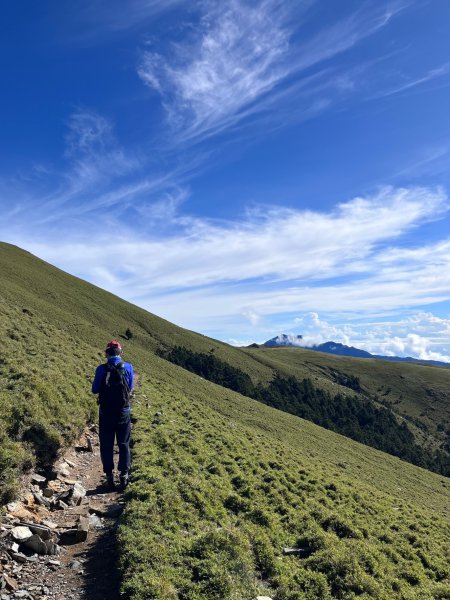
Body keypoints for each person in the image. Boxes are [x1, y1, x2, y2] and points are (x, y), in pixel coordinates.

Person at [91, 340, 134, 491]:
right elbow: (130, 388)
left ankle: (109, 477)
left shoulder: (101, 369)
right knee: (124, 443)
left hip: (106, 413)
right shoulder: (128, 367)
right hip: (123, 411)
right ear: (120, 353)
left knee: (107, 445)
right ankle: (124, 475)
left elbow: (95, 390)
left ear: (107, 353)